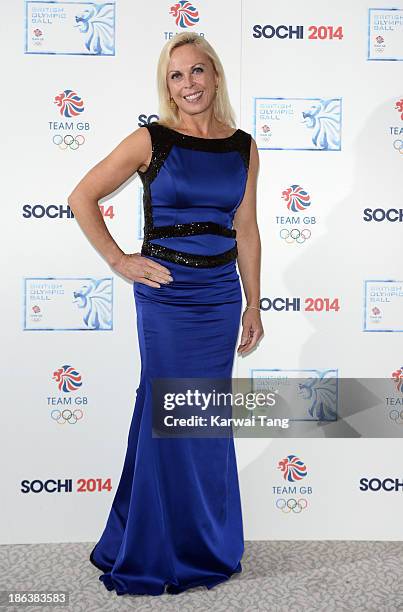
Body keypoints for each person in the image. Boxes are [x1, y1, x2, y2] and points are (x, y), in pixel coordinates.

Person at [67, 31, 263, 596]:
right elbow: (82, 196)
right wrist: (118, 258)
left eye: (197, 71)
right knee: (167, 415)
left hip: (220, 297)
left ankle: (205, 543)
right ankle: (154, 549)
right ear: (167, 86)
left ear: (215, 75)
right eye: (176, 76)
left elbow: (246, 229)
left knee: (202, 421)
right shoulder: (150, 139)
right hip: (166, 295)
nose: (188, 84)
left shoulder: (242, 145)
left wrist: (253, 300)